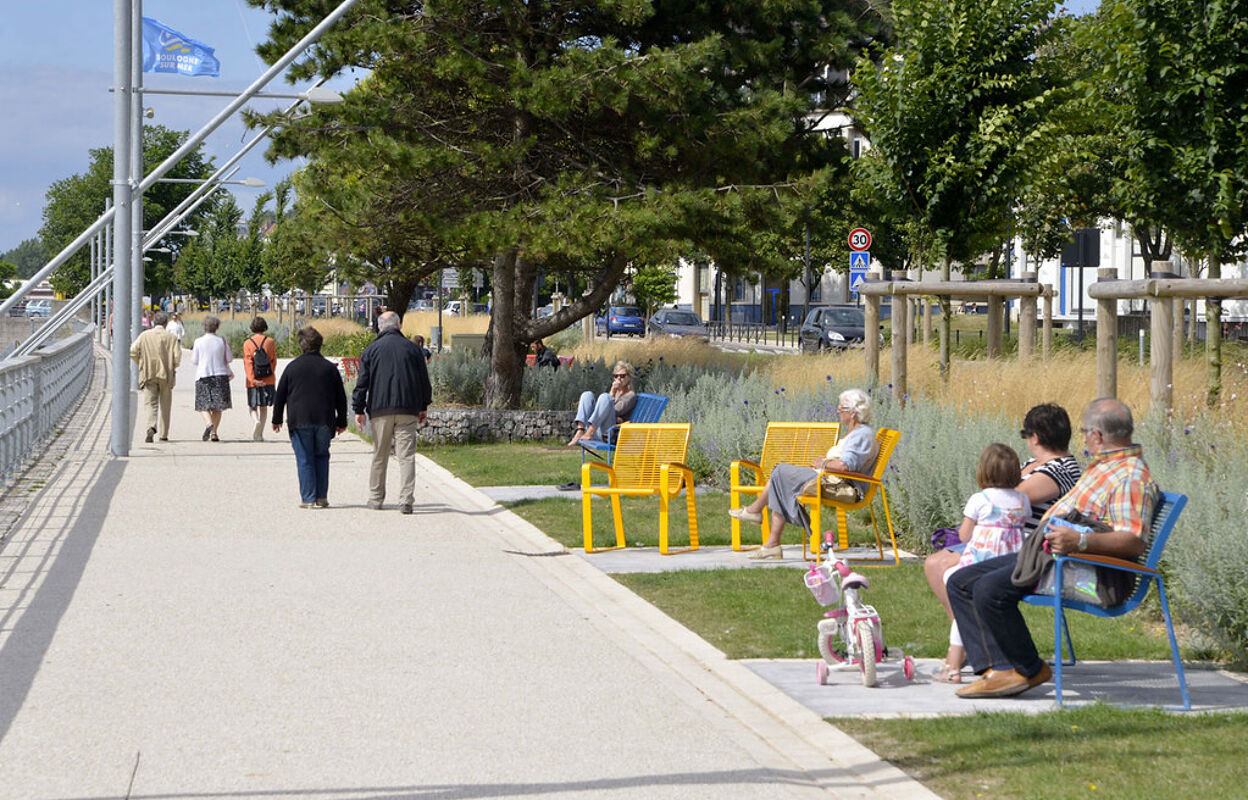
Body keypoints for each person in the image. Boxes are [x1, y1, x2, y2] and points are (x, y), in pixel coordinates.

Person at [948, 398, 1159, 699]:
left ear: (1098, 436)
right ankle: (998, 670)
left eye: (1087, 431)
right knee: (960, 581)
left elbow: (1133, 540)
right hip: (1056, 556)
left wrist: (1081, 541)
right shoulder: (1106, 467)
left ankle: (1029, 669)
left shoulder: (1130, 478)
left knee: (989, 590)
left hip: (1090, 574)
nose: (1084, 438)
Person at [924, 403, 1082, 682]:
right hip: (1000, 537)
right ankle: (972, 640)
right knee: (934, 564)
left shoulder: (1059, 468)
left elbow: (1006, 499)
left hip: (1015, 544)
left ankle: (966, 649)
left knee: (948, 570)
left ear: (1034, 436)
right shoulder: (1033, 465)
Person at [728, 388, 879, 561]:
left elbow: (845, 466)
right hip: (830, 480)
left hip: (840, 486)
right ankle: (769, 541)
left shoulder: (862, 435)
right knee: (780, 477)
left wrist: (823, 463)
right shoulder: (856, 433)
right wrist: (825, 463)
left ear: (852, 413)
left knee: (780, 472)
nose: (837, 411)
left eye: (841, 408)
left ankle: (757, 516)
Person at [932, 443, 1031, 683]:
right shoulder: (1022, 500)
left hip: (980, 563)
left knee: (954, 588)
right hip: (1010, 563)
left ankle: (952, 665)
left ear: (983, 471)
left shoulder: (980, 499)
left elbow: (965, 536)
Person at [353, 310, 433, 514]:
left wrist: (358, 409)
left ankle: (375, 497)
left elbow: (362, 383)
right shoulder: (413, 349)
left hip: (380, 410)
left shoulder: (371, 350)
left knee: (380, 455)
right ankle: (406, 500)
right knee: (406, 456)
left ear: (380, 327)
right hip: (407, 408)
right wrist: (423, 405)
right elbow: (424, 381)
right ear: (399, 326)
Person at [272, 326, 348, 508]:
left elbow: (280, 395)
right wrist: (342, 421)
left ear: (302, 345)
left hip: (300, 419)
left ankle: (308, 498)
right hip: (324, 419)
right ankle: (321, 497)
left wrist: (277, 419)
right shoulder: (330, 369)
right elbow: (340, 397)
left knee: (305, 458)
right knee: (322, 456)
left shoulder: (292, 367)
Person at [128, 310, 181, 443]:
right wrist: (172, 365)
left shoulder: (144, 335)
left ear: (154, 322)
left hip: (148, 373)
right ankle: (163, 434)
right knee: (165, 404)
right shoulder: (171, 338)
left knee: (150, 403)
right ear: (165, 323)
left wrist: (141, 363)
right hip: (166, 374)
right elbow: (177, 358)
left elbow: (133, 351)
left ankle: (151, 426)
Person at [567, 361, 637, 446]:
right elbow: (604, 409)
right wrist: (612, 393)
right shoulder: (616, 392)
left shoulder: (630, 395)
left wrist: (612, 392)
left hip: (609, 433)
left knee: (605, 397)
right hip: (598, 426)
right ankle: (580, 430)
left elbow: (615, 411)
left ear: (629, 377)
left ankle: (590, 432)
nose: (618, 378)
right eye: (616, 376)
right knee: (587, 395)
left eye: (622, 376)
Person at [191, 315, 233, 442]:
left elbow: (194, 360)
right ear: (217, 327)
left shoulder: (198, 341)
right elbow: (229, 358)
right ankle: (214, 432)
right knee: (218, 406)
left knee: (203, 404)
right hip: (220, 375)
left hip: (203, 375)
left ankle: (209, 424)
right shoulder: (222, 341)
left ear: (204, 327)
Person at [243, 317, 279, 441]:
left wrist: (252, 379)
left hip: (253, 381)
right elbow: (273, 360)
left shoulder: (248, 343)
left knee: (253, 406)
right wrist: (270, 374)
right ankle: (260, 434)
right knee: (264, 407)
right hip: (268, 379)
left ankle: (255, 420)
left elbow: (248, 363)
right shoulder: (270, 342)